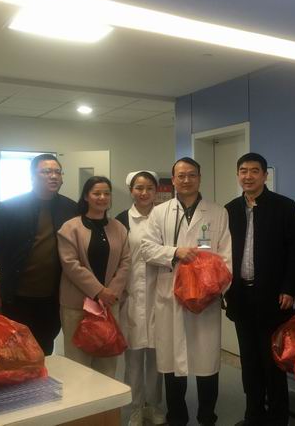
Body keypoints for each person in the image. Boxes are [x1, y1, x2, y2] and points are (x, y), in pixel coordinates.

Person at [141, 157, 232, 426]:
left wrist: (213, 290)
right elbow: (146, 249)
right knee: (173, 361)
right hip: (171, 294)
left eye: (192, 175)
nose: (186, 180)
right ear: (173, 179)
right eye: (180, 175)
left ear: (199, 178)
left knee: (207, 361)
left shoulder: (217, 212)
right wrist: (175, 252)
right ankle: (177, 416)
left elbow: (226, 257)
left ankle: (207, 416)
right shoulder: (160, 212)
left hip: (206, 298)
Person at [224, 153, 295, 426]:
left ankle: (278, 418)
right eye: (243, 171)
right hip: (241, 297)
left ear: (265, 175)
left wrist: (290, 288)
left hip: (274, 297)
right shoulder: (230, 209)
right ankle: (253, 414)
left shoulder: (284, 206)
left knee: (273, 362)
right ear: (238, 175)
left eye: (254, 171)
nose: (248, 176)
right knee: (249, 361)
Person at [0, 153, 77, 355]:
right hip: (17, 295)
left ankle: (45, 376)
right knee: (17, 349)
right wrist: (11, 268)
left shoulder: (71, 208)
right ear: (32, 176)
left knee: (45, 346)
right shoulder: (9, 207)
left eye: (57, 172)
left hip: (53, 296)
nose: (53, 176)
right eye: (46, 171)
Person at [57, 176, 131, 377]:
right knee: (78, 364)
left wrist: (111, 292)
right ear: (86, 196)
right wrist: (99, 291)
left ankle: (106, 399)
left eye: (106, 193)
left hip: (109, 305)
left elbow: (126, 262)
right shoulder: (70, 228)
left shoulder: (119, 228)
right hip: (77, 305)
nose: (102, 197)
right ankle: (81, 398)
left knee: (107, 362)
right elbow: (70, 264)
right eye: (96, 193)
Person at [115, 171, 166, 426]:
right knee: (133, 359)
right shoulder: (121, 220)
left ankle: (154, 406)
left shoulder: (165, 217)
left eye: (149, 188)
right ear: (131, 190)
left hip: (161, 295)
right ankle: (135, 408)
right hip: (132, 296)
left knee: (157, 359)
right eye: (139, 188)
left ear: (156, 191)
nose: (144, 193)